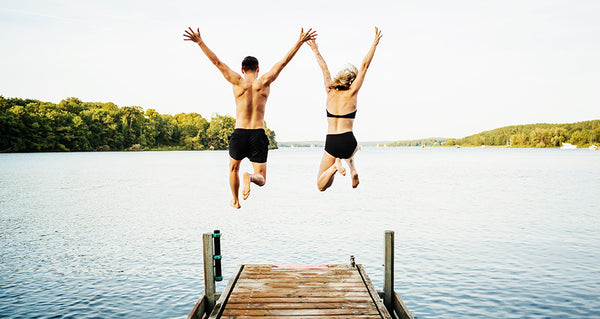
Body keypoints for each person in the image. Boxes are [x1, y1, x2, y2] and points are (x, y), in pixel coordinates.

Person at [184, 27, 317, 209]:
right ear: (258, 69)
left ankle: (236, 200)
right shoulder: (264, 81)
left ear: (242, 69)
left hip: (239, 133)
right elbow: (283, 62)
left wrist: (200, 42)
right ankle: (250, 177)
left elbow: (217, 62)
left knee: (233, 169)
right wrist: (300, 42)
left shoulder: (237, 80)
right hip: (258, 133)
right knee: (261, 179)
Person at [307, 27, 382, 191]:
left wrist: (315, 50)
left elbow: (324, 68)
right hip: (349, 141)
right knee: (354, 149)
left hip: (332, 141)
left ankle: (335, 166)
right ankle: (352, 169)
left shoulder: (329, 91)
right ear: (351, 82)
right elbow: (364, 66)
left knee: (322, 185)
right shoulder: (352, 92)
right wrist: (375, 44)